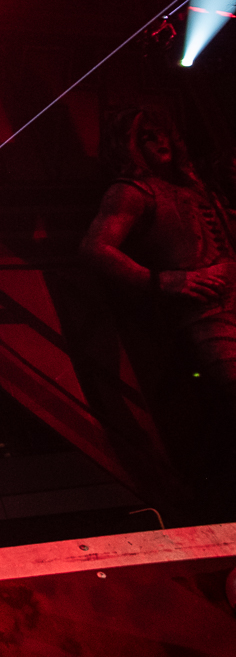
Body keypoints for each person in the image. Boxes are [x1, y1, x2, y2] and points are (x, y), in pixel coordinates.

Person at [81, 108, 236, 508]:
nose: (161, 141)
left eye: (163, 133)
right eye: (148, 136)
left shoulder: (194, 187)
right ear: (129, 144)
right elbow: (96, 248)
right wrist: (164, 280)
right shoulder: (132, 191)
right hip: (204, 314)